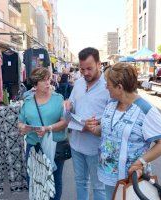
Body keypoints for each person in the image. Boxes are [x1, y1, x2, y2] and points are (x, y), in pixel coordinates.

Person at [89, 63, 161, 200]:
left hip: (131, 178)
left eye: (108, 84)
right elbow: (105, 131)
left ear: (119, 87)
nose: (106, 87)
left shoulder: (146, 110)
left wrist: (140, 162)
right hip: (108, 175)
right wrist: (94, 129)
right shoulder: (111, 104)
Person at [64, 47, 110, 200]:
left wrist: (95, 125)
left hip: (96, 148)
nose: (85, 73)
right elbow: (70, 107)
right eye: (82, 69)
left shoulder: (108, 86)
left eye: (89, 68)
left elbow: (114, 117)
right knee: (80, 182)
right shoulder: (78, 83)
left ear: (99, 64)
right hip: (76, 144)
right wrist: (68, 107)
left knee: (99, 187)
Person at [18, 67, 68, 200]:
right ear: (35, 84)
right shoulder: (27, 102)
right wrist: (23, 128)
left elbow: (64, 122)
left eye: (48, 79)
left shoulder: (58, 99)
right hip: (34, 146)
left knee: (54, 179)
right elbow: (20, 123)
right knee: (33, 177)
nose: (48, 83)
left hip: (55, 145)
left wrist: (48, 128)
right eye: (44, 80)